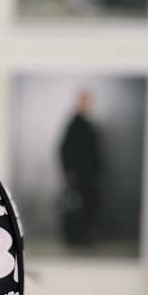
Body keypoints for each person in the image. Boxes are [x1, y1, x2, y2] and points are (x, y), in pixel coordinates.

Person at [58, 90, 102, 249]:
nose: (86, 104)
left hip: (87, 174)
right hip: (78, 175)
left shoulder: (85, 123)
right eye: (84, 101)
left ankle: (82, 238)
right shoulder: (75, 123)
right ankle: (75, 239)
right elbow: (65, 149)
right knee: (76, 206)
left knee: (86, 207)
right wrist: (69, 171)